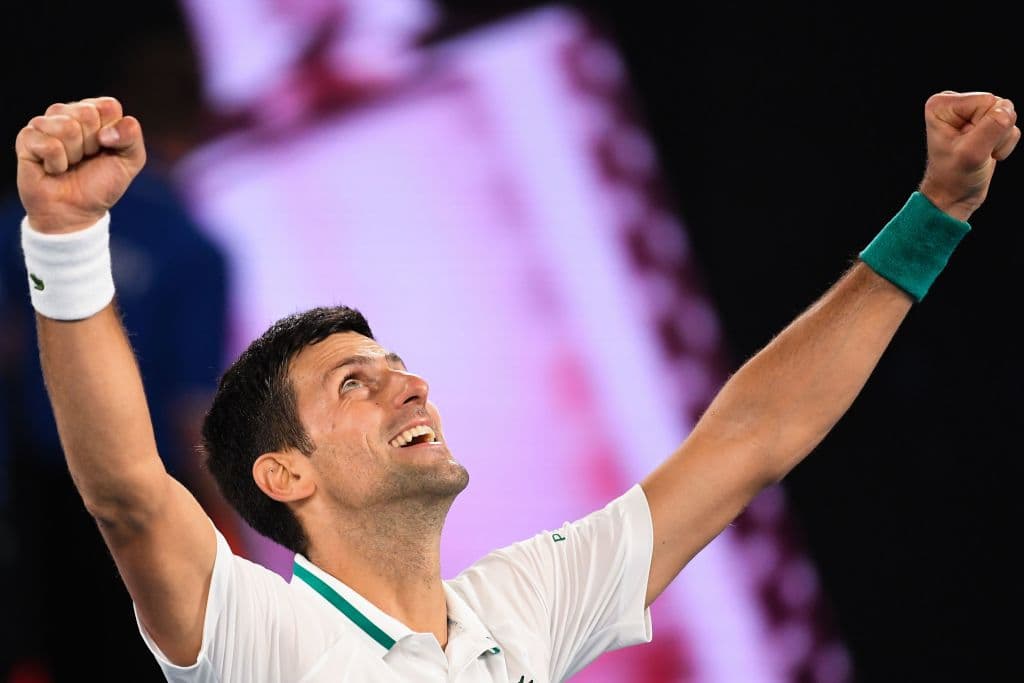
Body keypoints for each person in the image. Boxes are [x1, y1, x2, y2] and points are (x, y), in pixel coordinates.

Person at [9, 90, 1017, 682]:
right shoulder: (258, 635)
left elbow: (750, 435)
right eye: (357, 385)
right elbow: (129, 493)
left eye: (401, 371)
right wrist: (64, 236)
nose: (410, 390)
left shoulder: (519, 606)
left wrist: (936, 214)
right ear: (283, 472)